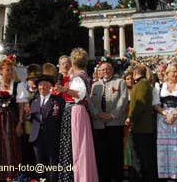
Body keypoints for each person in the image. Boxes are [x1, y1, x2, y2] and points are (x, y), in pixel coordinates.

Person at [55, 48, 98, 182]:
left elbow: (80, 93)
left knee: (77, 146)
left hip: (75, 111)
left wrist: (64, 89)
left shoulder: (78, 77)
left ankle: (77, 177)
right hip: (78, 111)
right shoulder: (83, 75)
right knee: (79, 145)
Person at [0, 58, 27, 181]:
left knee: (10, 147)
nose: (10, 72)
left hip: (11, 121)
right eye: (7, 70)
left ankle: (11, 176)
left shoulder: (18, 86)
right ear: (0, 71)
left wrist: (20, 122)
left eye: (11, 70)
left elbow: (21, 106)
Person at [90, 62, 128, 182]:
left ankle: (117, 178)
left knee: (116, 154)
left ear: (112, 70)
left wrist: (112, 115)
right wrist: (97, 114)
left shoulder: (120, 82)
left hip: (115, 124)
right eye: (103, 69)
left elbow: (123, 99)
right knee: (101, 155)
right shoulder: (95, 85)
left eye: (108, 69)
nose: (105, 71)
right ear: (99, 72)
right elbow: (90, 102)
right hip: (99, 125)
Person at [28, 63, 65, 182]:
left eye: (44, 85)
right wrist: (27, 114)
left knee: (52, 164)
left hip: (52, 137)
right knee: (39, 164)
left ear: (50, 86)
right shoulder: (33, 101)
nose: (41, 87)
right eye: (40, 85)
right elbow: (30, 118)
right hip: (37, 137)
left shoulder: (58, 100)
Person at [152, 63, 177, 181]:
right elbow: (156, 105)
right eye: (173, 71)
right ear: (167, 73)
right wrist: (165, 114)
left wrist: (175, 115)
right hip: (163, 118)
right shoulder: (159, 86)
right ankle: (164, 175)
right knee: (164, 147)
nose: (175, 74)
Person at [126, 64, 157, 182]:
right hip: (141, 126)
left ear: (134, 73)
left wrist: (130, 118)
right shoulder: (142, 84)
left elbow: (138, 105)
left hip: (141, 127)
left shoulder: (141, 84)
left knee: (142, 156)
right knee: (142, 155)